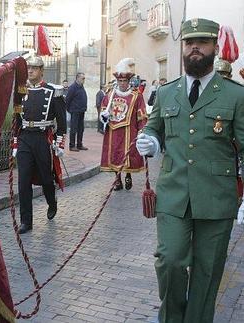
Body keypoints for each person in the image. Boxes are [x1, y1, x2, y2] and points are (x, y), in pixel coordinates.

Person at [137, 18, 244, 323]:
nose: (194, 47)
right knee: (169, 260)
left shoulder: (236, 96)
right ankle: (171, 317)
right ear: (182, 48)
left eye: (202, 42)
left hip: (217, 197)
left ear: (214, 48)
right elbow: (154, 128)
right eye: (189, 42)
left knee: (207, 271)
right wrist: (150, 142)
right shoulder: (167, 93)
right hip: (173, 194)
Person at [12, 55, 66, 234]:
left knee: (45, 178)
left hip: (44, 139)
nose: (30, 71)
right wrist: (14, 142)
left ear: (42, 70)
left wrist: (59, 144)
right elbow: (17, 119)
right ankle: (26, 221)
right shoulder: (21, 91)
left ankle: (52, 201)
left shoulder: (53, 92)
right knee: (23, 181)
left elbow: (62, 122)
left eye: (34, 68)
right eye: (29, 68)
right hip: (25, 138)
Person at [99, 58, 147, 191]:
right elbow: (104, 109)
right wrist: (104, 116)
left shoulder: (136, 96)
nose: (122, 83)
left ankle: (128, 175)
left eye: (124, 81)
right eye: (120, 81)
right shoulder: (110, 95)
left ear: (128, 81)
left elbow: (141, 113)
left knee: (128, 155)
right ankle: (117, 179)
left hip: (129, 130)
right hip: (113, 130)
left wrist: (142, 129)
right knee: (115, 155)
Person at [65, 72, 88, 151]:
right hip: (75, 111)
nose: (84, 80)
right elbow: (67, 100)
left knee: (81, 129)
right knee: (73, 129)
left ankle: (79, 144)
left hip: (81, 111)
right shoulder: (72, 87)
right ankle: (72, 145)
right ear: (77, 78)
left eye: (84, 78)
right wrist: (69, 110)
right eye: (83, 78)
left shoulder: (81, 87)